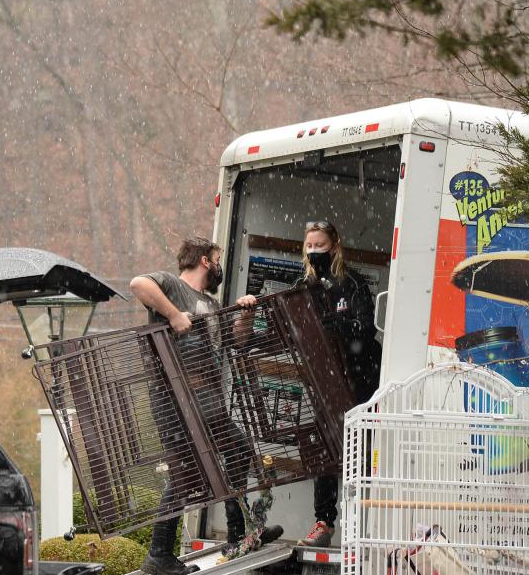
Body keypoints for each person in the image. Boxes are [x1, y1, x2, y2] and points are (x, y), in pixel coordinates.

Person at [131, 237, 281, 575]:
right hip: (174, 400)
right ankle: (158, 555)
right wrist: (172, 315)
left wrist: (246, 313)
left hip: (207, 402)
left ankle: (239, 535)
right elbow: (137, 284)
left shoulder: (212, 304)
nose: (219, 266)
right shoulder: (172, 286)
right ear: (204, 261)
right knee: (184, 474)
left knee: (239, 451)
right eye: (217, 259)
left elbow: (237, 341)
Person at [296, 220, 382, 548]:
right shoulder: (303, 285)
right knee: (326, 451)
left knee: (360, 450)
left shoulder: (352, 281)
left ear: (334, 246)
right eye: (310, 246)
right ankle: (323, 523)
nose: (315, 251)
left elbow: (366, 326)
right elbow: (294, 326)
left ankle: (363, 526)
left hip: (361, 377)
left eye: (320, 245)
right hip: (325, 380)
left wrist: (342, 325)